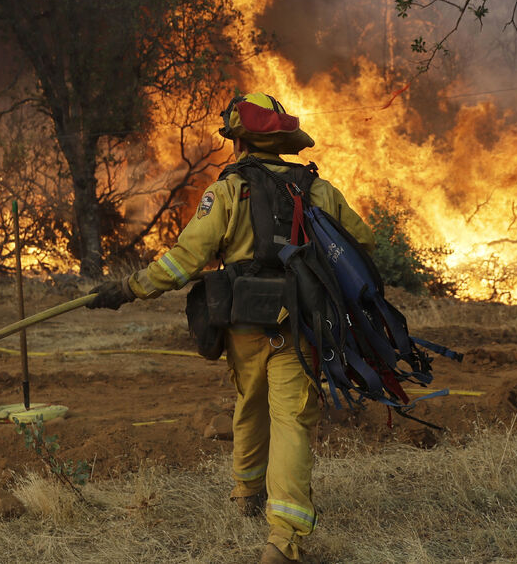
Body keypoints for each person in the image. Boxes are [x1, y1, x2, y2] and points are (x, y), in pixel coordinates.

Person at [87, 92, 375, 563]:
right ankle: (283, 540)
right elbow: (362, 244)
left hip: (244, 324)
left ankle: (247, 494)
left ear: (239, 140)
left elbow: (185, 261)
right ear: (282, 140)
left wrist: (130, 289)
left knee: (249, 401)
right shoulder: (317, 190)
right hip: (298, 326)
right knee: (292, 421)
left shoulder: (226, 191)